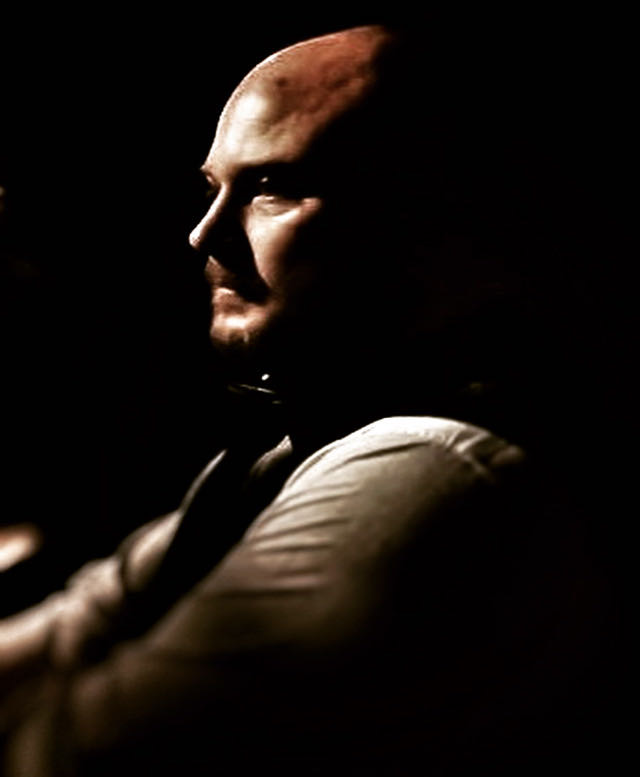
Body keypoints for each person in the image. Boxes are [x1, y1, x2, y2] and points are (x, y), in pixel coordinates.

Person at [0, 24, 621, 776]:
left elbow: (71, 755)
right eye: (211, 189)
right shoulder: (305, 438)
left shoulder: (429, 469)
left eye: (274, 186)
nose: (203, 235)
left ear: (438, 219)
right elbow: (79, 625)